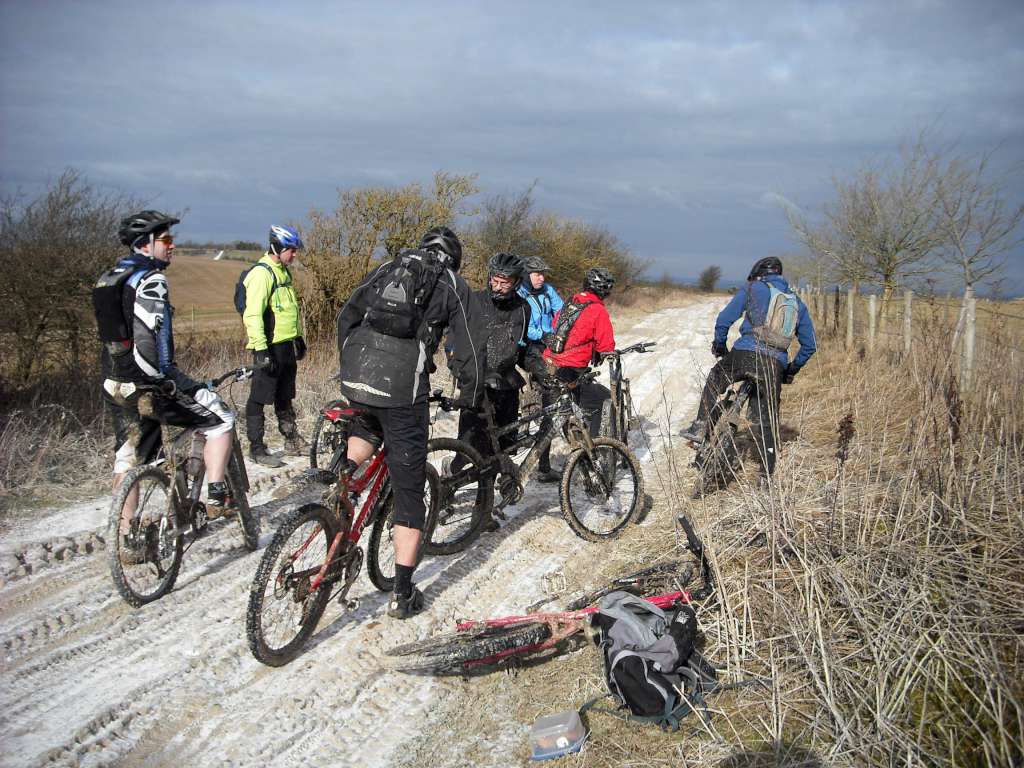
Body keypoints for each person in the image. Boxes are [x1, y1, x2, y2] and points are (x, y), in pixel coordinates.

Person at [336, 225, 482, 619]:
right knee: (409, 490)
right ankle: (402, 592)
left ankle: (343, 477)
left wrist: (349, 367)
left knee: (367, 425)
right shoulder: (452, 284)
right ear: (455, 257)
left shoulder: (388, 266)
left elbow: (346, 315)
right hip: (402, 389)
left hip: (356, 373)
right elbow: (467, 346)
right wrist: (469, 393)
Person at [94, 210, 238, 557]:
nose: (173, 247)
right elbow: (149, 344)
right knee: (221, 420)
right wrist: (165, 383)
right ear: (146, 244)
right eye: (167, 241)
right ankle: (217, 495)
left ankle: (127, 539)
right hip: (147, 385)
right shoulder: (151, 280)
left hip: (114, 383)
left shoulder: (110, 277)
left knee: (129, 460)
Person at [679, 256, 816, 477]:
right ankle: (766, 476)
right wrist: (790, 370)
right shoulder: (797, 302)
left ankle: (699, 425)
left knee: (715, 379)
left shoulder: (753, 288)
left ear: (757, 273)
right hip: (773, 365)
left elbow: (724, 319)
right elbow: (810, 346)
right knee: (767, 421)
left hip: (743, 354)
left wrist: (720, 344)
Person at [448, 252, 530, 521]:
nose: (498, 286)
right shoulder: (474, 301)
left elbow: (524, 349)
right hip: (477, 387)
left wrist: (539, 367)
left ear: (516, 282)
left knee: (499, 453)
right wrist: (460, 369)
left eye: (505, 282)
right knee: (468, 448)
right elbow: (453, 340)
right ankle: (445, 487)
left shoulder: (523, 309)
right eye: (495, 279)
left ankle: (481, 513)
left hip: (506, 388)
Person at [243, 225, 308, 468]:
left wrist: (298, 337)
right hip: (268, 346)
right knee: (259, 397)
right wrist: (260, 349)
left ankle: (291, 440)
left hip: (286, 344)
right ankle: (257, 448)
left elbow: (290, 310)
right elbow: (253, 315)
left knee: (285, 395)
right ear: (278, 248)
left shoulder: (283, 273)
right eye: (291, 250)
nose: (294, 254)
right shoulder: (262, 274)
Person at [543, 267, 617, 439]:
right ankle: (594, 450)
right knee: (603, 401)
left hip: (550, 362)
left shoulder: (571, 302)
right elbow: (606, 345)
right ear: (604, 292)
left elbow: (555, 324)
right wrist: (606, 352)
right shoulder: (598, 310)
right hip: (572, 367)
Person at [516, 255, 563, 483]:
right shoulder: (519, 295)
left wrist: (557, 331)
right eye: (537, 273)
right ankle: (541, 464)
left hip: (547, 345)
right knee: (551, 393)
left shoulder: (547, 290)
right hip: (529, 350)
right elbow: (524, 329)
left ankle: (544, 465)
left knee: (556, 395)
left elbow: (561, 311)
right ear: (526, 274)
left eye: (543, 273)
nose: (541, 277)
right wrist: (544, 335)